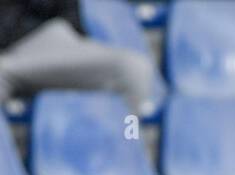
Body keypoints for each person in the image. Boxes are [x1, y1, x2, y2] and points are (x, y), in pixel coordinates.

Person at [0, 1, 153, 113]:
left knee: (132, 68)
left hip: (54, 39)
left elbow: (71, 21)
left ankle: (130, 140)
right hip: (9, 57)